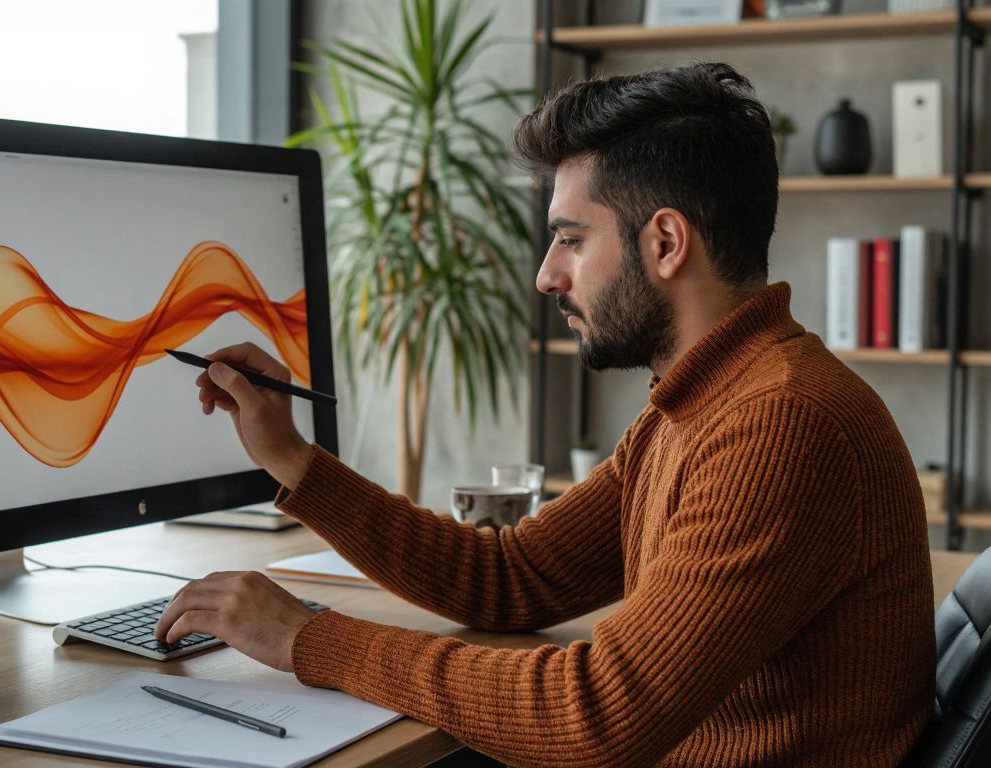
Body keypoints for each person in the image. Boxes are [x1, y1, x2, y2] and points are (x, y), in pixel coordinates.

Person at [153, 62, 934, 767]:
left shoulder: (781, 424)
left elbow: (596, 716)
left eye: (570, 238)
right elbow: (507, 579)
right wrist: (291, 456)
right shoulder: (700, 404)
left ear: (665, 242)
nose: (546, 275)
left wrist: (306, 640)